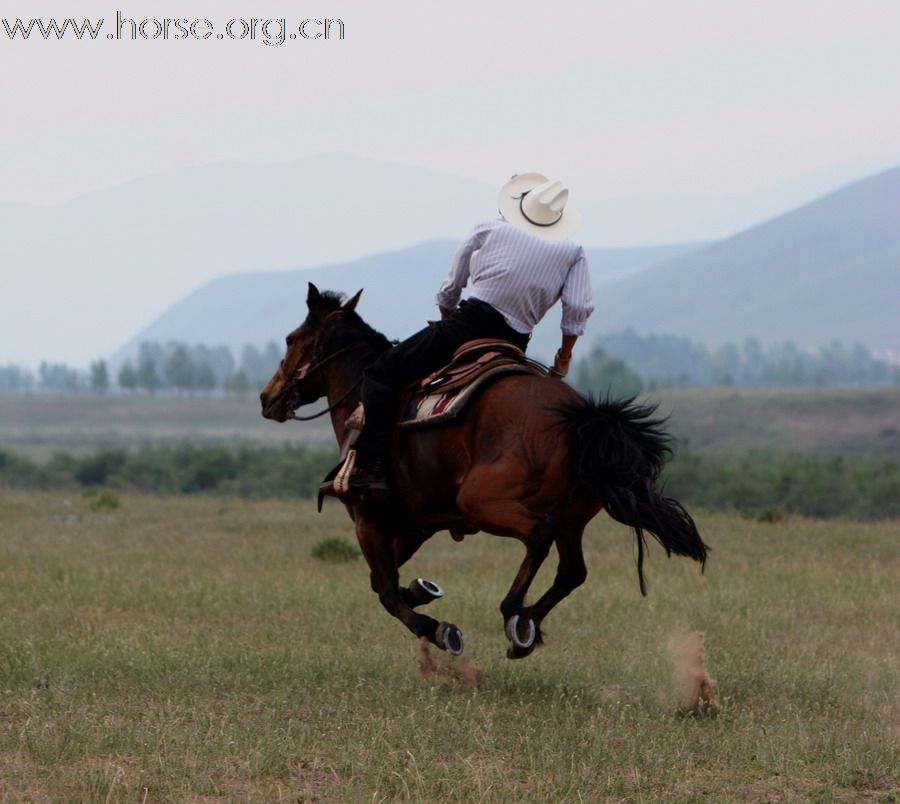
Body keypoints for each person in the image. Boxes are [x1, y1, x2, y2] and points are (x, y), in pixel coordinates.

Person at [349, 171, 594, 495]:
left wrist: (447, 320)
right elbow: (577, 309)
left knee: (381, 374)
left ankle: (373, 466)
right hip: (515, 342)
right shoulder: (572, 251)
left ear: (520, 205)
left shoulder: (488, 228)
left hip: (467, 325)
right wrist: (562, 359)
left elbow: (450, 290)